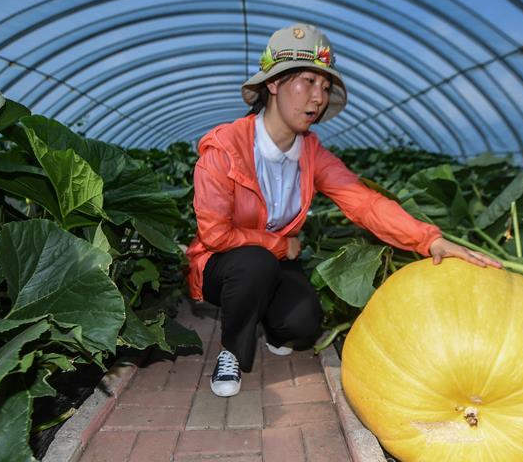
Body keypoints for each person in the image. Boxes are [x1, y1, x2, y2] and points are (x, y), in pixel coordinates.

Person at [186, 23, 502, 397]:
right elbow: (216, 235)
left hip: (273, 262)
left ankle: (268, 320)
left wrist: (430, 241)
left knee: (303, 326)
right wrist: (279, 246)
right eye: (307, 81)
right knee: (255, 262)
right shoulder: (223, 149)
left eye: (325, 86)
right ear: (273, 84)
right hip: (222, 264)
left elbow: (363, 202)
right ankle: (232, 353)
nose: (318, 97)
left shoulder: (311, 151)